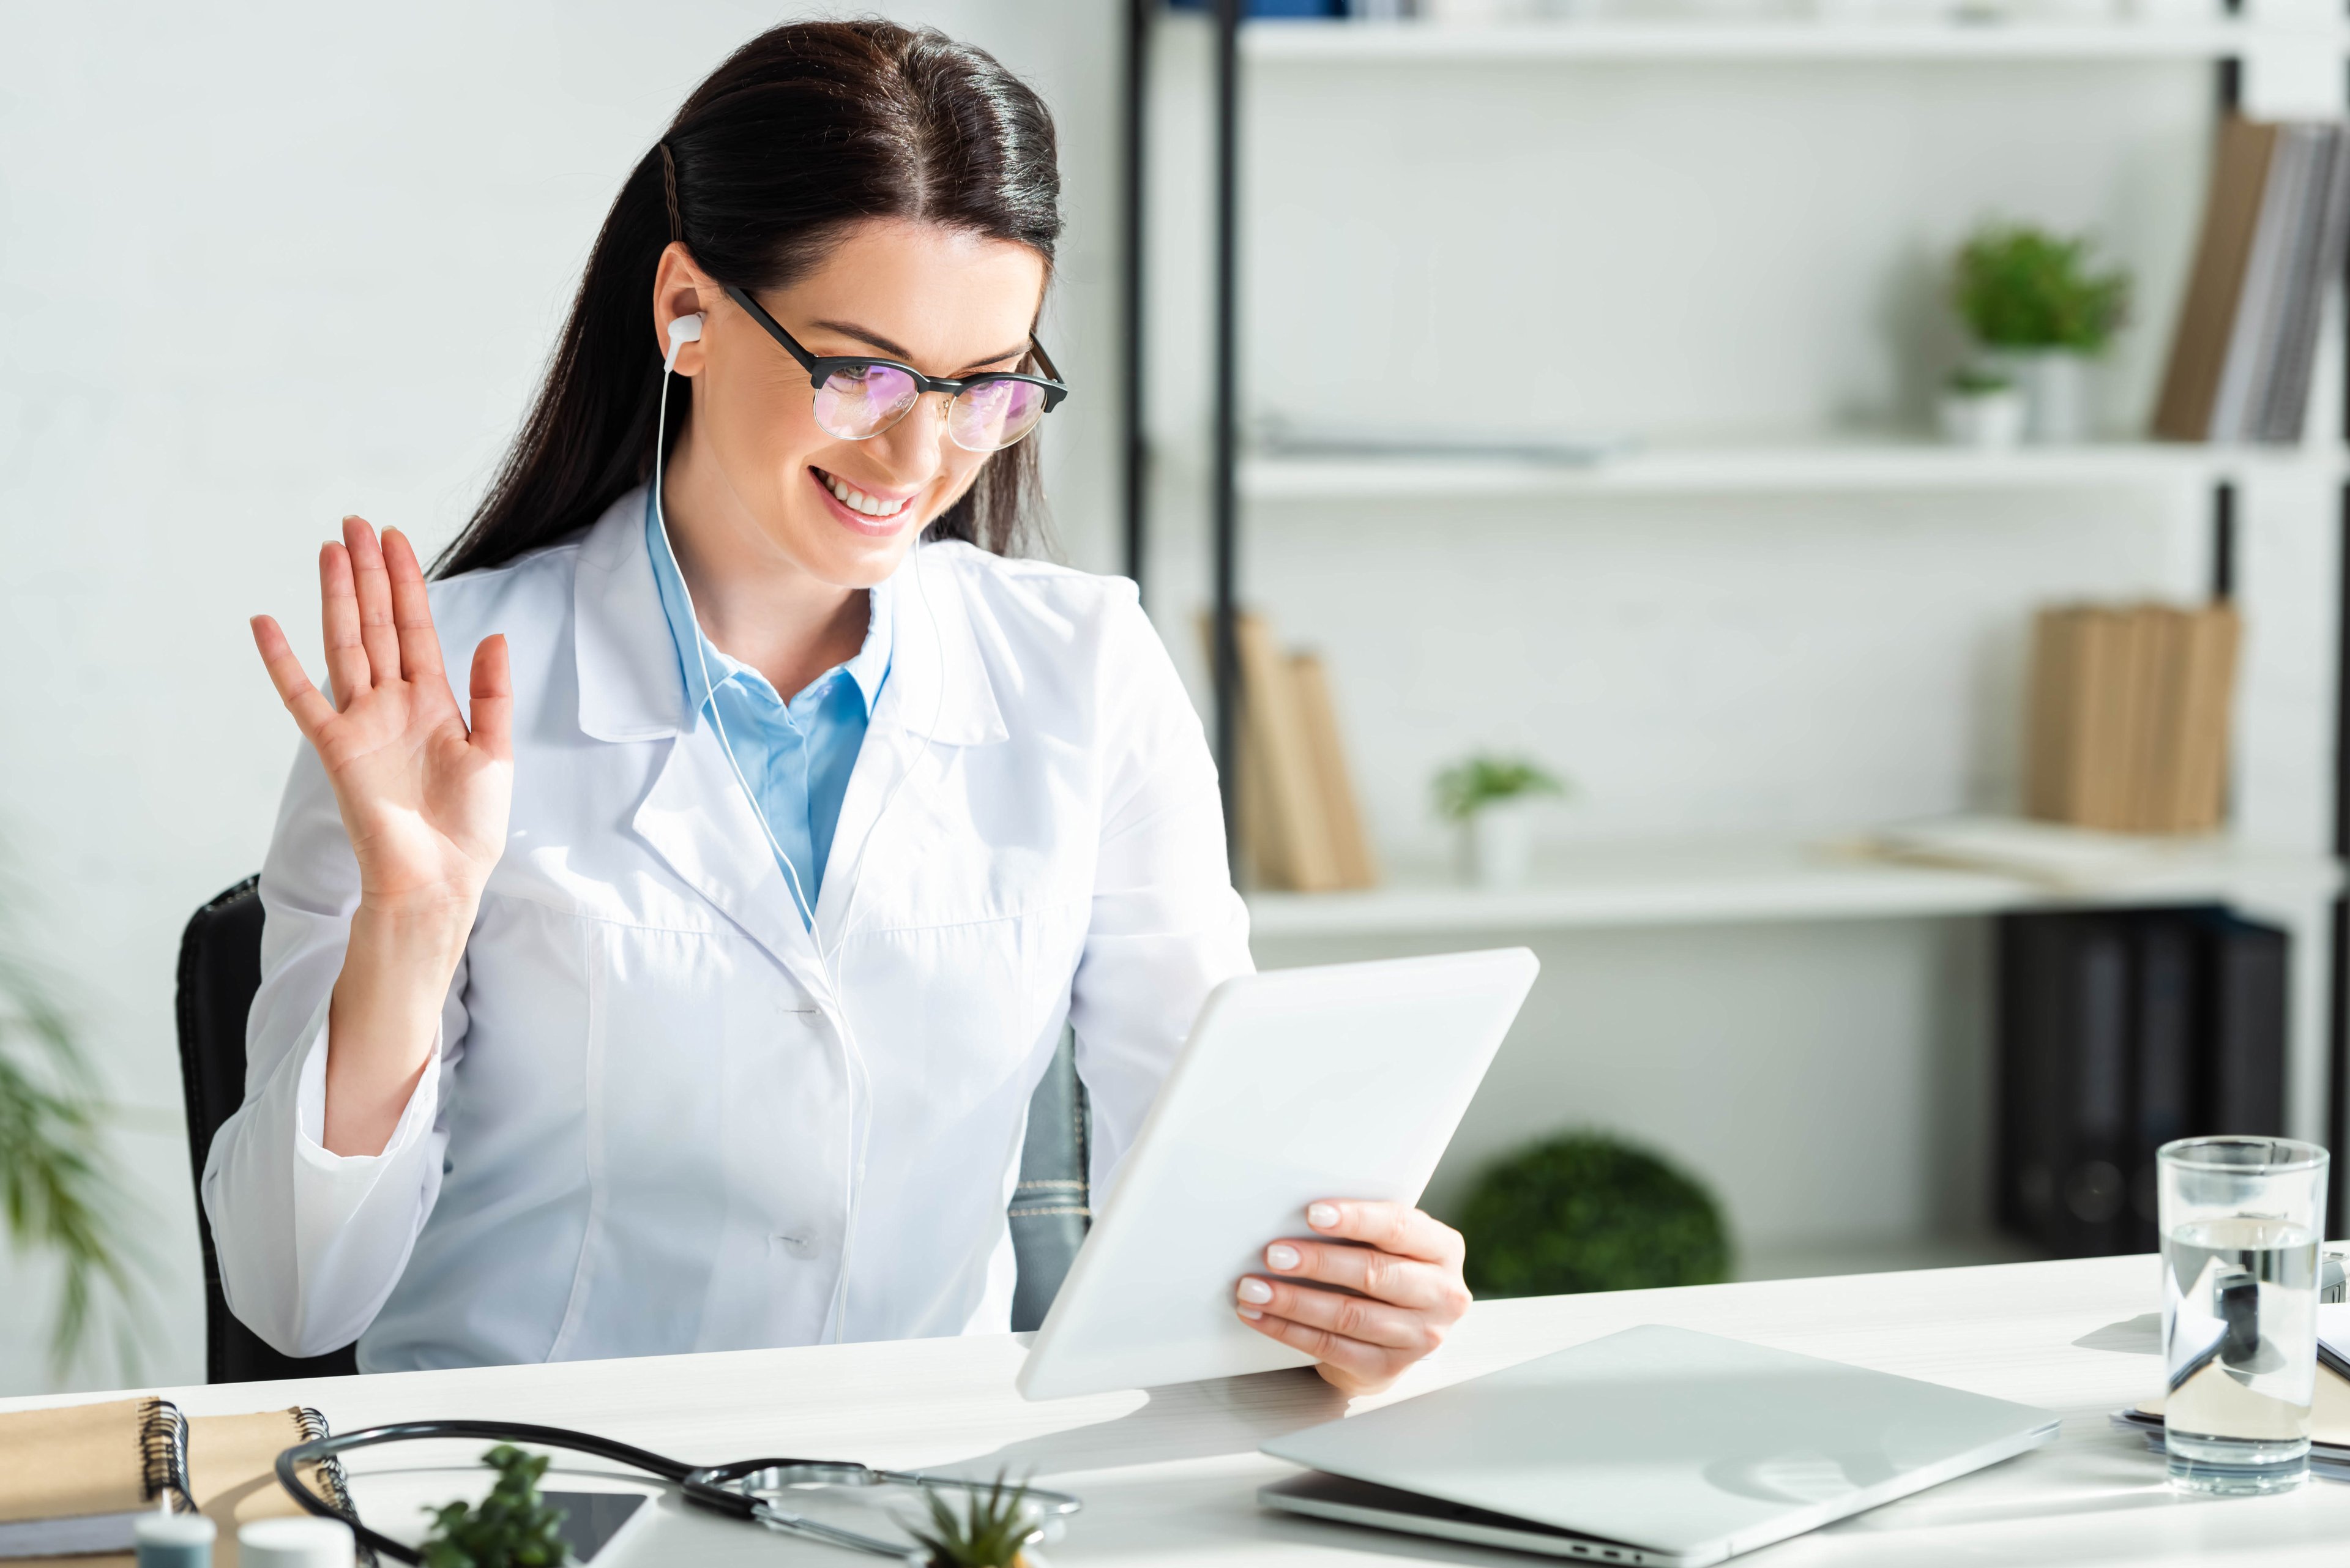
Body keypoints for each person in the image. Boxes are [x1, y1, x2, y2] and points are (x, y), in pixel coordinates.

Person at [203, 20, 1469, 1393]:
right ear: (686, 309)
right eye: (860, 371)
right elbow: (292, 1296)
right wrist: (411, 924)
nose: (919, 454)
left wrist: (1354, 1286)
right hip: (530, 1485)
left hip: (921, 1487)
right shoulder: (435, 692)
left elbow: (1220, 1170)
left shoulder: (1083, 666)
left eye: (984, 387)